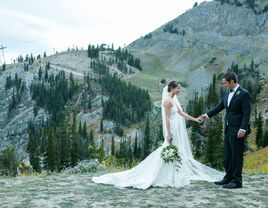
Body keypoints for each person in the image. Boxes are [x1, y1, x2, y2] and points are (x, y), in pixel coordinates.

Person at [92, 81, 223, 189]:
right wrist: (168, 133)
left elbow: (181, 113)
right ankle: (164, 176)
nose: (179, 90)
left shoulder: (174, 100)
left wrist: (195, 119)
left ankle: (176, 175)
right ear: (172, 88)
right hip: (172, 129)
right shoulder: (167, 101)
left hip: (176, 129)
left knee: (177, 151)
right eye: (178, 88)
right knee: (170, 150)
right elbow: (166, 118)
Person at [199, 72, 251, 189]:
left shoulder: (244, 94)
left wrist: (243, 128)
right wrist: (206, 115)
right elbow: (219, 107)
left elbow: (246, 113)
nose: (224, 85)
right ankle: (228, 177)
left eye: (225, 83)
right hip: (228, 128)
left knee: (236, 155)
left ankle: (237, 181)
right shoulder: (227, 93)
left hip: (238, 129)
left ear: (232, 81)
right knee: (228, 155)